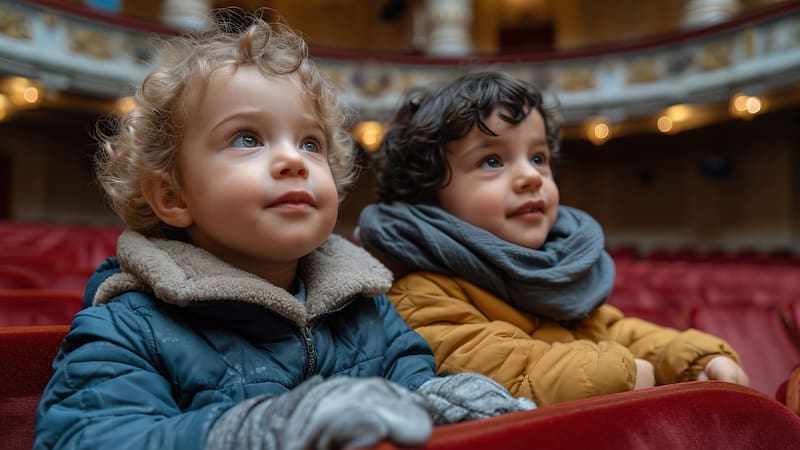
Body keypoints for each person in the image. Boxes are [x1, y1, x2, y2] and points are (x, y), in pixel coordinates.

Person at [34, 16, 534, 450]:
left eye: (311, 143)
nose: (294, 160)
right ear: (174, 196)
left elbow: (411, 383)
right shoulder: (128, 327)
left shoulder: (367, 308)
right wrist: (260, 431)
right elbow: (85, 439)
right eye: (247, 138)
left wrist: (445, 402)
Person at [356, 71, 750, 407]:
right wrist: (630, 374)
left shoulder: (548, 267)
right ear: (427, 193)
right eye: (491, 160)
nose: (531, 176)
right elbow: (515, 374)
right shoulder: (420, 293)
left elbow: (612, 330)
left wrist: (693, 360)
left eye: (538, 157)